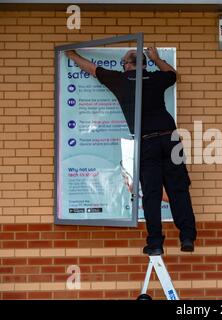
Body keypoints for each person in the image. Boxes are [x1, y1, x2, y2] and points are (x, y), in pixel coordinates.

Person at [64, 47, 197, 255]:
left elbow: (91, 68)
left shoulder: (120, 80)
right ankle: (187, 236)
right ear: (144, 64)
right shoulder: (155, 78)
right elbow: (173, 75)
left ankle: (155, 243)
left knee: (152, 194)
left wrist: (72, 55)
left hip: (147, 142)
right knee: (178, 189)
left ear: (128, 65)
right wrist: (157, 59)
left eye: (124, 63)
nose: (123, 66)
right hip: (171, 138)